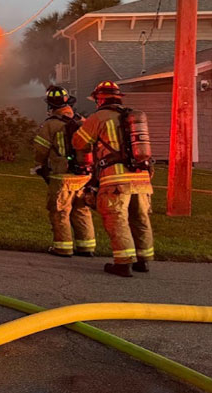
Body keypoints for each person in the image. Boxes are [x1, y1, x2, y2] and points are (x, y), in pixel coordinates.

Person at [73, 81, 154, 278]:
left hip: (115, 179)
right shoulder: (132, 117)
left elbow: (78, 142)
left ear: (99, 99)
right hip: (141, 178)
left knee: (117, 219)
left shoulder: (100, 117)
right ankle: (143, 260)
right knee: (140, 218)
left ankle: (123, 263)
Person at [32, 86, 96, 258]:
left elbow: (40, 150)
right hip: (84, 174)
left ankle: (63, 247)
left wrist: (40, 165)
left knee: (60, 211)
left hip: (63, 176)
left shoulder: (50, 125)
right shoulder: (82, 121)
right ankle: (86, 247)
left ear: (50, 105)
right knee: (81, 210)